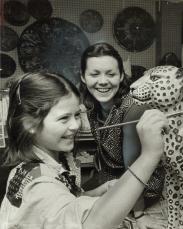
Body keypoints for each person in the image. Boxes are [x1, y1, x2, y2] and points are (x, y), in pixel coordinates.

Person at [0, 72, 168, 229]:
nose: (75, 125)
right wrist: (149, 155)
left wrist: (100, 191)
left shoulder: (45, 165)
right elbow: (93, 223)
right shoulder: (40, 185)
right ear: (29, 124)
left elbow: (68, 202)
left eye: (76, 115)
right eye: (64, 118)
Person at [79, 42, 166, 228]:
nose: (103, 81)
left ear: (120, 77)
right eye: (95, 74)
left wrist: (140, 215)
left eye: (110, 74)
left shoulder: (132, 109)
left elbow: (133, 167)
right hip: (110, 180)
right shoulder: (92, 106)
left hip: (140, 189)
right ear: (83, 77)